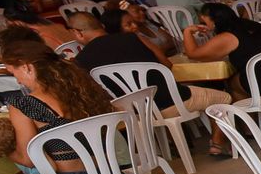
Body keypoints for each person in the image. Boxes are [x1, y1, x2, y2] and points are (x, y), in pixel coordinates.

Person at [0, 38, 116, 174]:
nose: (17, 81)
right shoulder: (84, 91)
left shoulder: (24, 105)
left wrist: (2, 148)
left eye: (13, 73)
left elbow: (28, 159)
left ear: (27, 67)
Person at [69, 8, 228, 121]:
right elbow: (166, 65)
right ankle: (217, 144)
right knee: (225, 99)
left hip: (133, 115)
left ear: (77, 32)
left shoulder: (80, 61)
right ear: (101, 26)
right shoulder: (134, 37)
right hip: (170, 102)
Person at [182, 3, 261, 156]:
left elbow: (193, 54)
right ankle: (251, 127)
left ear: (213, 20)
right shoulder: (251, 25)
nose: (203, 24)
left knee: (229, 85)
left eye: (204, 20)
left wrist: (187, 31)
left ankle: (245, 129)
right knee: (238, 79)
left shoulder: (227, 36)